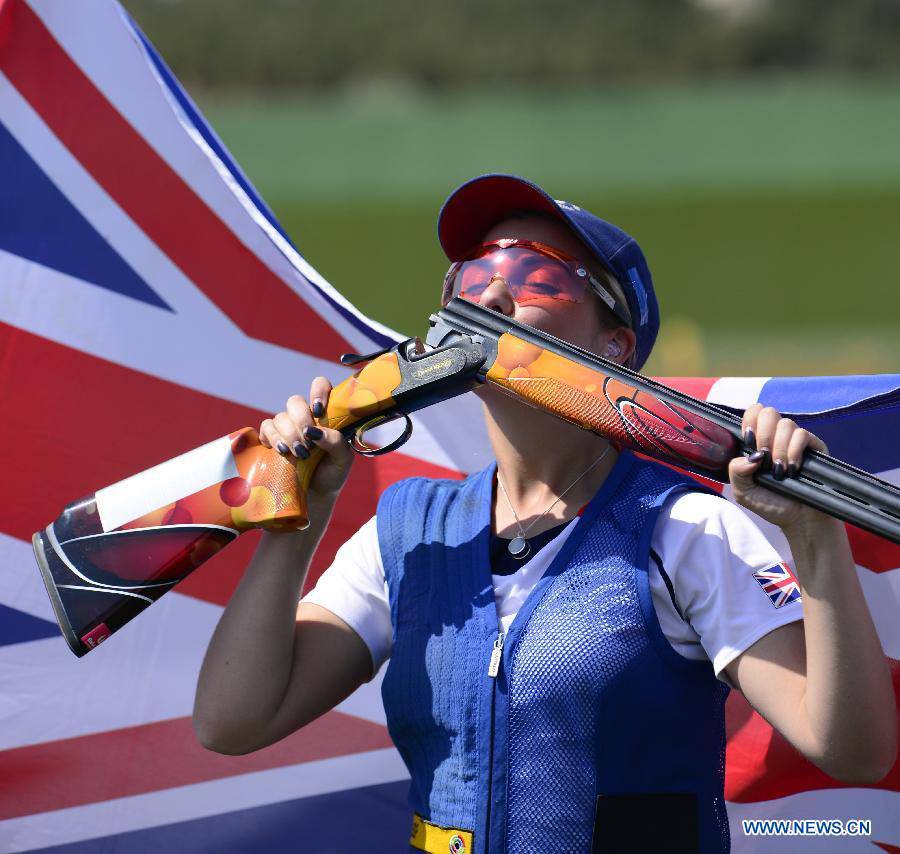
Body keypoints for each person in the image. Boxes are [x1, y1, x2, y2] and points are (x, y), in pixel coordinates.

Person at [193, 174, 895, 853]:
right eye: (470, 277)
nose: (492, 292)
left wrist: (815, 538)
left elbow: (852, 751)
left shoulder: (685, 530)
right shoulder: (407, 532)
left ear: (613, 346)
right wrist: (298, 517)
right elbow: (232, 720)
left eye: (538, 277)